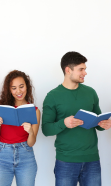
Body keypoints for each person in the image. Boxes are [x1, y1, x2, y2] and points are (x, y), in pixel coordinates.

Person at [42, 51, 111, 186]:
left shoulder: (90, 93)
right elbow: (46, 129)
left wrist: (103, 124)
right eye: (81, 69)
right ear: (68, 70)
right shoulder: (52, 96)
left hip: (92, 160)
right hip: (66, 161)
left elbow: (97, 122)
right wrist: (64, 123)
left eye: (85, 69)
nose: (85, 73)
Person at [0, 70, 40, 186]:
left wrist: (31, 132)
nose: (18, 91)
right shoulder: (0, 109)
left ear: (27, 87)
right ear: (9, 90)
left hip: (26, 157)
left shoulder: (35, 111)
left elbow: (31, 143)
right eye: (14, 88)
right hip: (3, 157)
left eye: (21, 86)